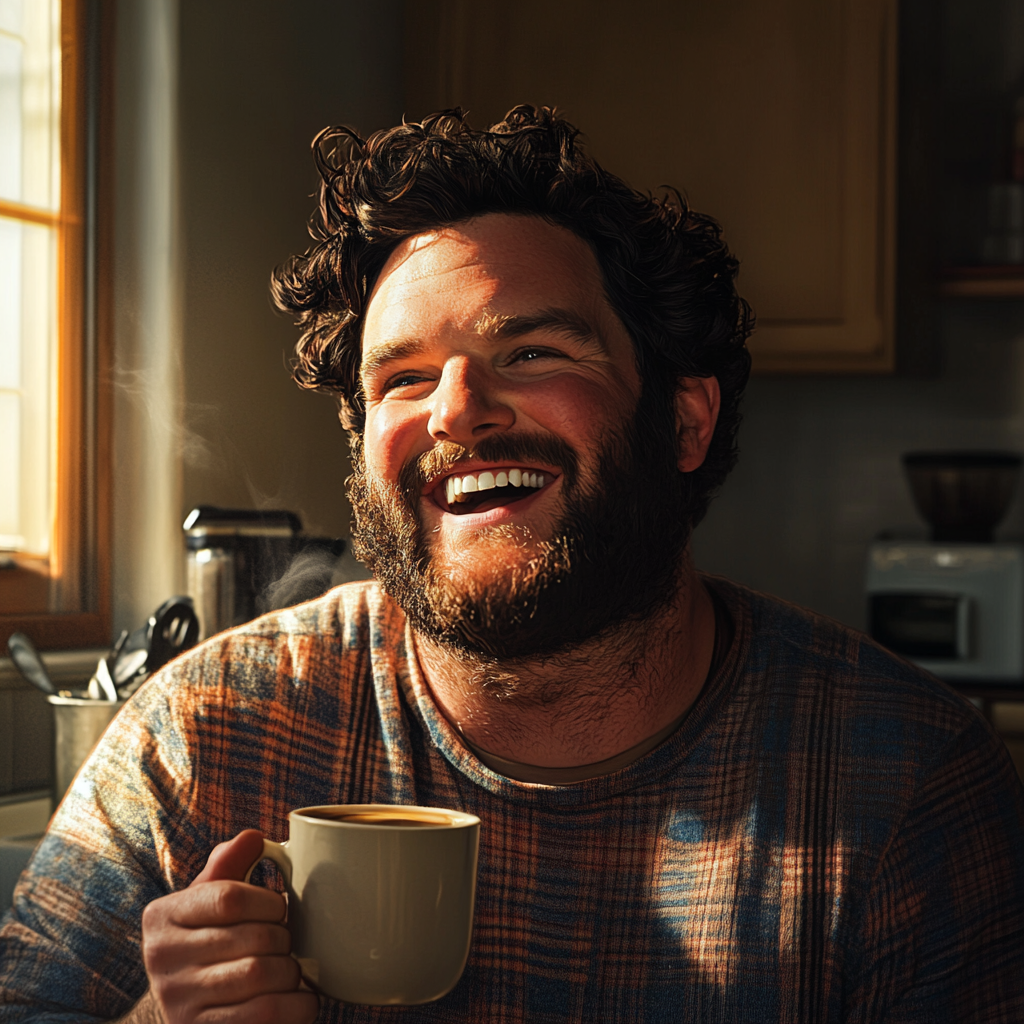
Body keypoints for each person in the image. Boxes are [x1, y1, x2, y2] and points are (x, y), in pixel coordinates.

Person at [2, 106, 1023, 1023]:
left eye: (531, 352)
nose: (455, 411)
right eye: (402, 377)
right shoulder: (207, 733)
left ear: (683, 419)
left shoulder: (905, 785)